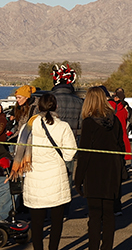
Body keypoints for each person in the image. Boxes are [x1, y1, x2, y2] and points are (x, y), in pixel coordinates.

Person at [18, 92, 76, 250]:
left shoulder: (27, 127)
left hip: (34, 178)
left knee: (36, 223)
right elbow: (70, 154)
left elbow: (20, 151)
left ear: (38, 107)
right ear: (56, 106)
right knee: (57, 222)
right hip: (56, 179)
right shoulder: (62, 126)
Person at [74, 87, 124, 250]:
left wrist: (78, 178)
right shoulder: (114, 120)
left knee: (95, 216)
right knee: (109, 215)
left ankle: (94, 247)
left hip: (94, 173)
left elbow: (84, 153)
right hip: (111, 171)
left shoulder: (89, 123)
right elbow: (121, 147)